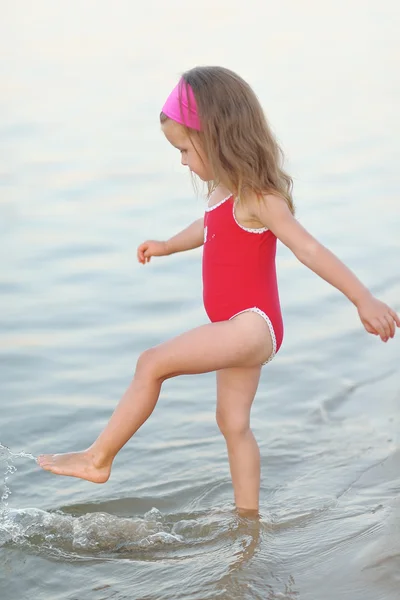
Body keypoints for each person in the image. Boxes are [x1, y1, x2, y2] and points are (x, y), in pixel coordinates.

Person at [38, 66, 400, 516]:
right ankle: (248, 520)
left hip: (251, 326)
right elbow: (208, 227)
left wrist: (362, 298)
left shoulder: (260, 197)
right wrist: (169, 245)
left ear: (218, 137)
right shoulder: (222, 193)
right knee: (232, 424)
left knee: (151, 363)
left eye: (186, 149)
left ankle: (98, 459)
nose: (183, 162)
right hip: (235, 327)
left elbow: (308, 248)